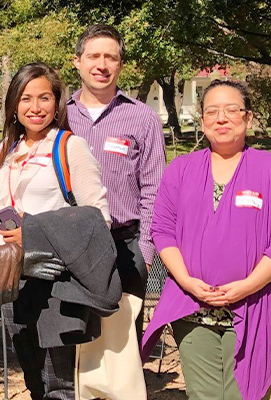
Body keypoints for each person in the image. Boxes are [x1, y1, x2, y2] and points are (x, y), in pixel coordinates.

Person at [141, 80, 271, 400]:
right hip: (192, 310)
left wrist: (247, 285)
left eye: (232, 110)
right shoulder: (181, 169)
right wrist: (186, 280)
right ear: (202, 120)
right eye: (212, 111)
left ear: (248, 118)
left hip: (254, 307)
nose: (222, 118)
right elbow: (162, 228)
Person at [0, 63, 109, 400]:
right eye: (26, 98)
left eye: (44, 98)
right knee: (34, 378)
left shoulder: (70, 148)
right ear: (14, 104)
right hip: (13, 276)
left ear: (57, 103)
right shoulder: (6, 151)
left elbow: (98, 218)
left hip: (56, 280)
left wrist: (42, 236)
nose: (35, 108)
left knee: (60, 383)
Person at [67, 24, 165, 312]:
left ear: (121, 64)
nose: (101, 65)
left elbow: (154, 191)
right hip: (67, 245)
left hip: (125, 245)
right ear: (77, 61)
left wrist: (145, 254)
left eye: (110, 57)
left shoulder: (143, 118)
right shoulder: (60, 114)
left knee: (122, 348)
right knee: (72, 345)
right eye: (93, 56)